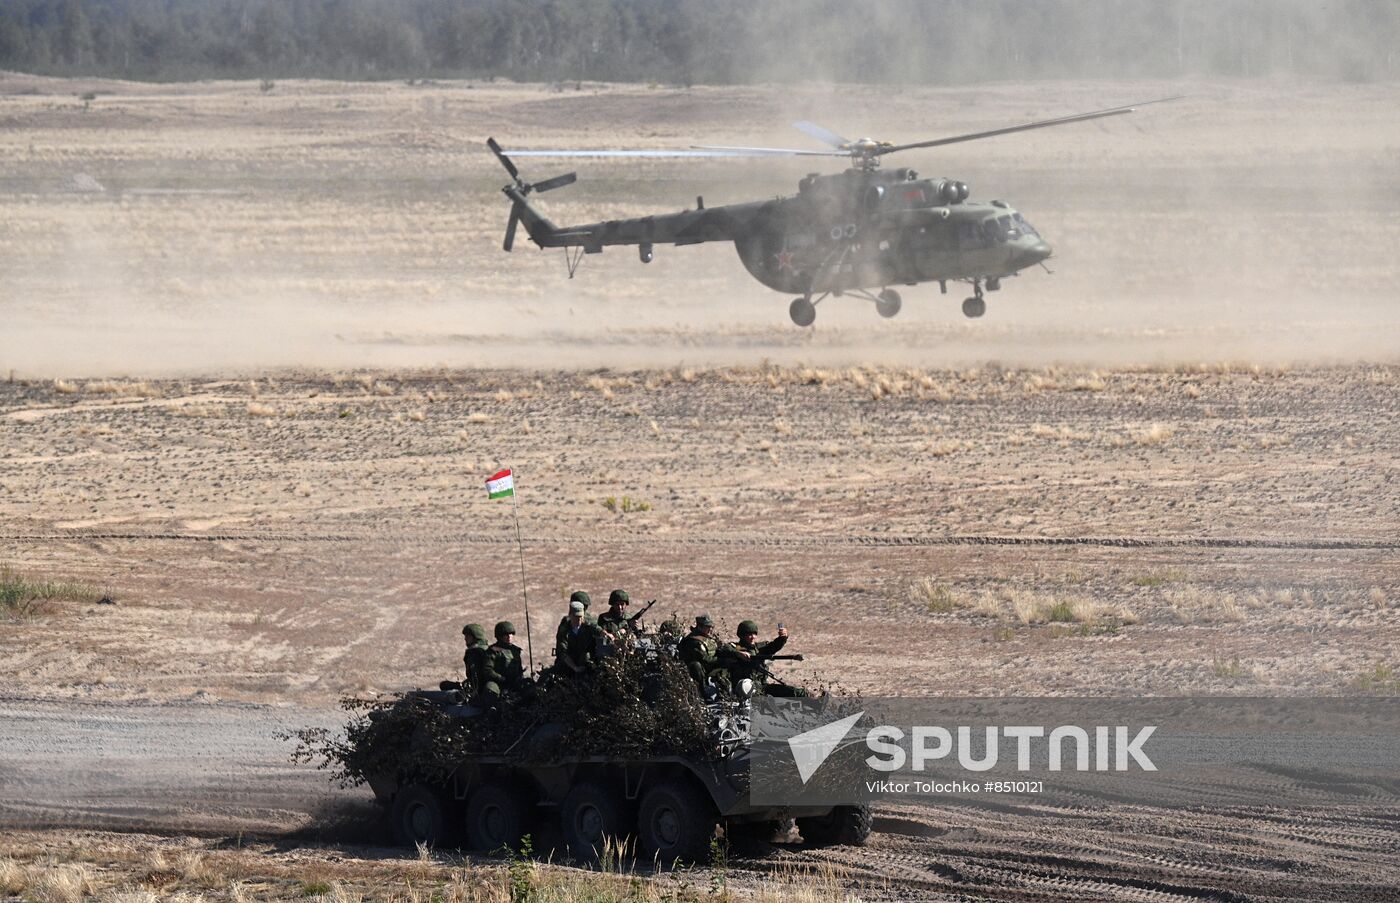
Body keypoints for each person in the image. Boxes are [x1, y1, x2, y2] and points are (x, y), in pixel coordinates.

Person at [719, 620, 807, 697]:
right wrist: (738, 654)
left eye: (754, 634)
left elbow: (773, 646)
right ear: (742, 635)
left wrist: (782, 638)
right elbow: (723, 649)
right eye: (749, 634)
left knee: (798, 693)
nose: (753, 637)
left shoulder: (759, 648)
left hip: (762, 687)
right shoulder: (736, 647)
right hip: (746, 690)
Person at [678, 614, 729, 695]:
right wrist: (721, 661)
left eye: (711, 627)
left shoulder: (707, 638)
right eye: (707, 627)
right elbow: (704, 659)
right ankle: (702, 692)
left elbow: (716, 650)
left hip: (709, 667)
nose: (710, 629)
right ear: (700, 627)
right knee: (696, 665)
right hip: (699, 669)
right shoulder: (693, 641)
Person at [482, 620, 528, 704]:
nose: (509, 637)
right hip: (499, 683)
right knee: (490, 688)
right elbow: (488, 670)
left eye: (511, 634)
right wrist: (502, 679)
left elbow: (519, 669)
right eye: (506, 634)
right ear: (499, 636)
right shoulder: (493, 651)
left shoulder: (515, 650)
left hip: (514, 682)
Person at [555, 600, 602, 675]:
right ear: (570, 615)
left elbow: (600, 632)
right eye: (576, 617)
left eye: (581, 617)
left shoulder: (589, 626)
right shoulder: (564, 631)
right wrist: (575, 668)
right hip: (569, 664)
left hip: (586, 663)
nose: (579, 620)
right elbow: (563, 653)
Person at [461, 622, 492, 700]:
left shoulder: (475, 652)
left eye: (468, 636)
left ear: (475, 636)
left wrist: (475, 692)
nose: (465, 638)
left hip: (480, 690)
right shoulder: (486, 649)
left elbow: (478, 675)